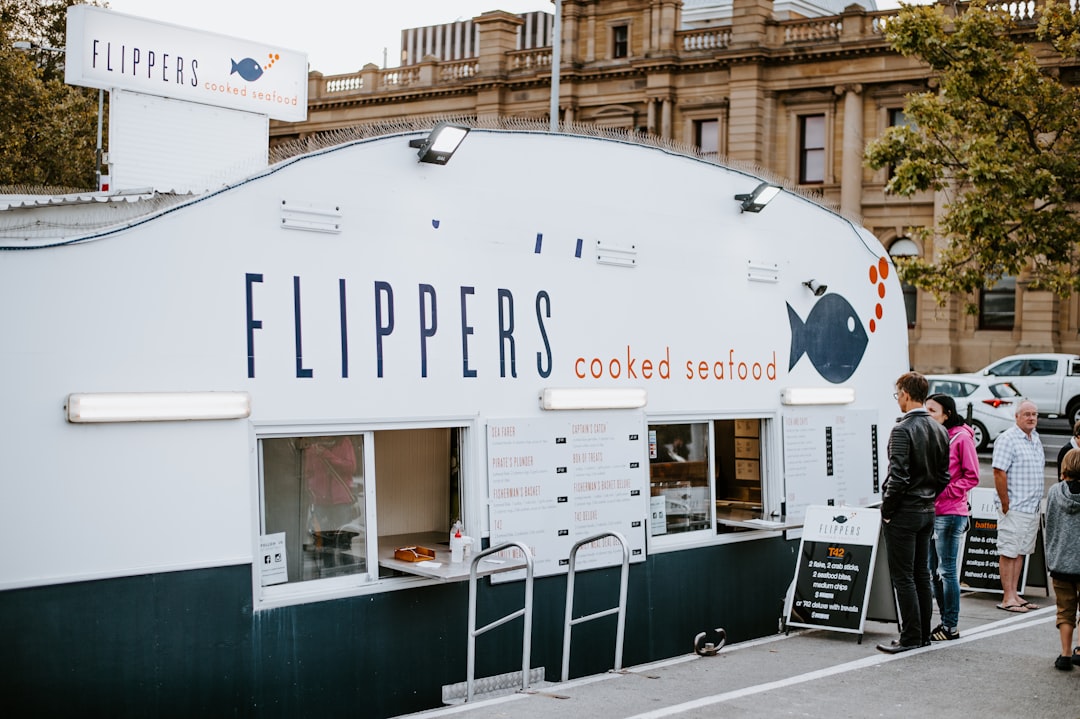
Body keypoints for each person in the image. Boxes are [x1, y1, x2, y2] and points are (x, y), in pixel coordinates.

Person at [877, 372, 951, 654]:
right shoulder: (939, 429)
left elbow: (898, 477)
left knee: (904, 576)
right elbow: (944, 476)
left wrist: (887, 510)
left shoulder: (902, 430)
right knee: (922, 573)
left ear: (906, 394)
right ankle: (922, 634)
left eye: (898, 394)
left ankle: (910, 636)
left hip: (905, 511)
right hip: (927, 509)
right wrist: (929, 496)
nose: (898, 400)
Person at [924, 393, 980, 641]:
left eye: (932, 411)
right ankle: (945, 621)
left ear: (946, 413)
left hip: (950, 512)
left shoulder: (962, 438)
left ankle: (950, 626)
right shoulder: (937, 435)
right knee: (933, 570)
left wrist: (944, 492)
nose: (928, 415)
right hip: (932, 510)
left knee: (946, 571)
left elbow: (972, 476)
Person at [991, 399, 1045, 612]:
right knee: (1009, 551)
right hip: (1014, 507)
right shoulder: (1008, 439)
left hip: (1031, 507)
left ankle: (1015, 594)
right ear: (1017, 416)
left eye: (1034, 414)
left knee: (1021, 551)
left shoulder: (1035, 438)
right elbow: (998, 472)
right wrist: (1006, 503)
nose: (1032, 418)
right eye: (1027, 414)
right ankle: (1007, 598)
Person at [1045, 448, 1080, 670]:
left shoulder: (1055, 492)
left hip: (1060, 561)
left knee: (1065, 610)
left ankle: (1065, 654)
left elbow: (1050, 524)